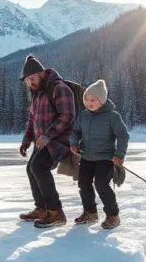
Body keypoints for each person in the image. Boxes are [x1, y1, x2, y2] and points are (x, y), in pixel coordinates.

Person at [17, 55, 76, 229]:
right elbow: (32, 120)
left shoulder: (58, 88)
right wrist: (26, 142)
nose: (30, 82)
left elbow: (68, 116)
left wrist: (48, 135)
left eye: (32, 78)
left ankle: (56, 212)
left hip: (60, 140)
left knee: (38, 167)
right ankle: (42, 208)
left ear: (42, 73)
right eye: (27, 80)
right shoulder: (36, 94)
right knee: (31, 168)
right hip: (43, 141)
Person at [70, 79, 129, 230]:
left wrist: (119, 155)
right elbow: (76, 131)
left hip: (105, 158)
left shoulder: (112, 116)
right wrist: (74, 143)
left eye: (93, 100)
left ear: (101, 100)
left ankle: (113, 215)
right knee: (83, 184)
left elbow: (123, 135)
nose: (89, 102)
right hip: (86, 157)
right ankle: (90, 213)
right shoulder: (83, 116)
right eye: (86, 99)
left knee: (101, 184)